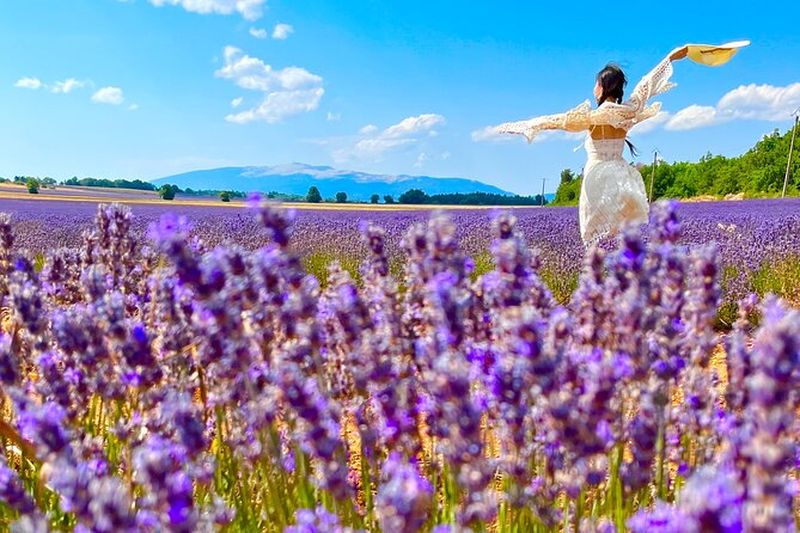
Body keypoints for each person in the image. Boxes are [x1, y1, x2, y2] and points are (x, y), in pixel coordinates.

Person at [494, 41, 749, 244]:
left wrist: (522, 126)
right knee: (624, 235)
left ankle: (601, 280)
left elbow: (554, 120)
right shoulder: (629, 111)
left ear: (603, 87)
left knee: (593, 235)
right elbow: (646, 85)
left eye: (596, 83)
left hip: (597, 178)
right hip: (622, 176)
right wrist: (672, 56)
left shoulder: (593, 116)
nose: (593, 87)